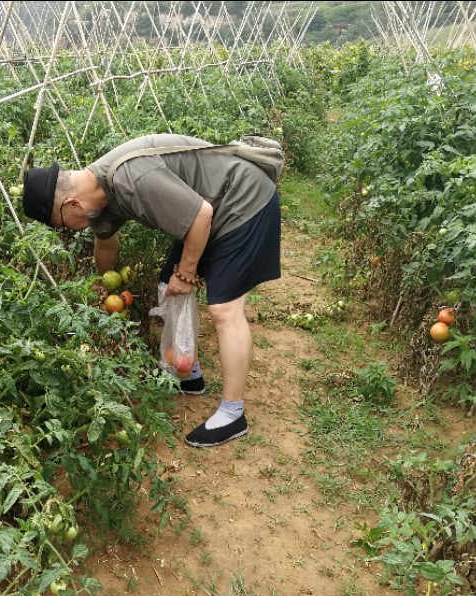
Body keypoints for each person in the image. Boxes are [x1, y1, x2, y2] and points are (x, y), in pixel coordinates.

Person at [22, 133, 282, 447]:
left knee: (224, 309)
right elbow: (106, 244)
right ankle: (189, 374)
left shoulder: (131, 179)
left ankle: (232, 414)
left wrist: (186, 273)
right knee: (166, 286)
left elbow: (200, 216)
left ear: (72, 203)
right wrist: (107, 289)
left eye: (64, 224)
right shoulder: (99, 194)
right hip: (214, 206)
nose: (71, 230)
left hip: (243, 200)